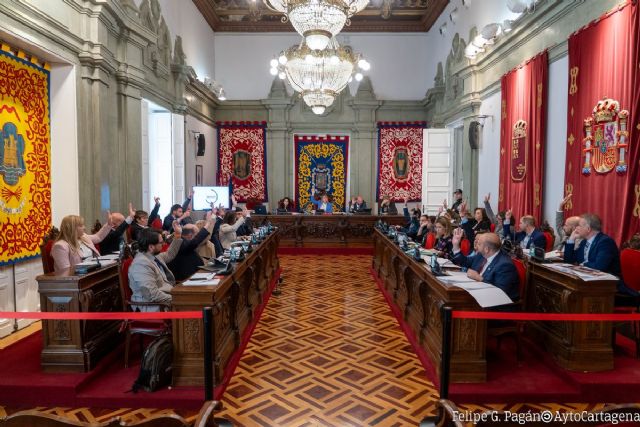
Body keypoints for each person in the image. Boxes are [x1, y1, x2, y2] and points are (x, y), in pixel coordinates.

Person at [564, 213, 637, 296]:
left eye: (579, 226)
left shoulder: (605, 242)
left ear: (588, 229)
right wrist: (571, 239)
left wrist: (582, 264)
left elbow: (599, 267)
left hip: (611, 288)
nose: (576, 228)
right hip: (590, 283)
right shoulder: (584, 242)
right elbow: (569, 260)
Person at [451, 228, 520, 302]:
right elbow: (465, 261)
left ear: (486, 249)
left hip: (495, 304)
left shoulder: (505, 265)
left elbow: (500, 292)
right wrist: (456, 245)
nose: (476, 244)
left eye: (479, 243)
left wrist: (479, 278)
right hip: (477, 293)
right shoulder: (481, 255)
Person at [127, 223, 183, 311]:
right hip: (154, 306)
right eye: (161, 242)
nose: (164, 244)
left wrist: (178, 235)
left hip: (166, 299)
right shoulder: (140, 265)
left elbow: (169, 254)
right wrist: (178, 299)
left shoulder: (153, 255)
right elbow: (152, 294)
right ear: (151, 247)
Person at [167, 211, 215, 281]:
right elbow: (195, 242)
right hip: (184, 280)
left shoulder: (184, 243)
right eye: (196, 235)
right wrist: (208, 223)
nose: (197, 238)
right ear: (190, 236)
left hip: (194, 276)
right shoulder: (180, 244)